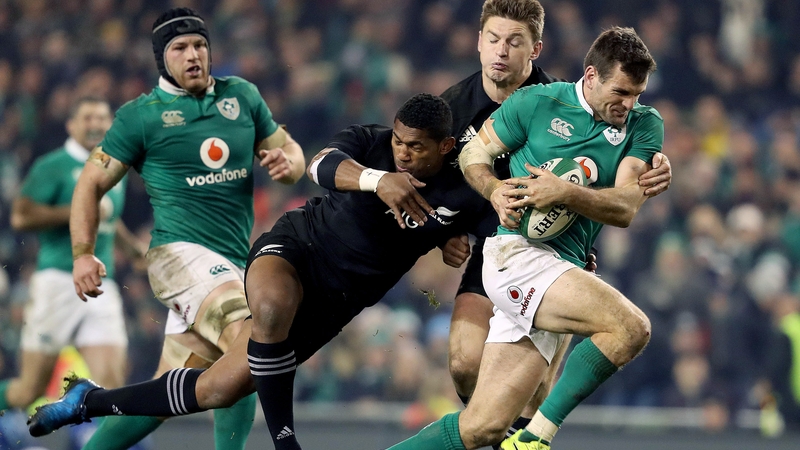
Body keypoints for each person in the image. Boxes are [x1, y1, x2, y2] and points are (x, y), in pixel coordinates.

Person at [27, 93, 495, 450]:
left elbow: (481, 235)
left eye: (416, 147)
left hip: (337, 302)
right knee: (270, 308)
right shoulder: (372, 144)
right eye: (399, 141)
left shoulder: (464, 190)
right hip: (296, 248)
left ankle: (87, 401)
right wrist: (378, 181)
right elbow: (321, 164)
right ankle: (285, 442)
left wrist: (458, 241)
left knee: (217, 388)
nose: (403, 153)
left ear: (446, 146)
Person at [388, 26, 662, 450]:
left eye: (637, 94)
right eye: (622, 92)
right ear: (591, 76)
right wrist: (495, 190)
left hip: (563, 269)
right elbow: (473, 154)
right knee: (631, 328)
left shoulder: (645, 125)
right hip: (517, 254)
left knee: (483, 426)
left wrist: (565, 193)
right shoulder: (536, 102)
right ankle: (536, 440)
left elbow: (625, 207)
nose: (629, 104)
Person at [62, 7, 306, 450]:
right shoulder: (141, 115)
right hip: (177, 256)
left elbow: (289, 156)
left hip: (231, 260)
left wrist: (288, 162)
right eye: (180, 48)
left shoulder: (242, 97)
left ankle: (89, 410)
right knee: (251, 340)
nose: (193, 55)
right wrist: (83, 252)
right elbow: (89, 183)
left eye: (200, 45)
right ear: (163, 59)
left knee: (170, 394)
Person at [0, 97, 144, 414]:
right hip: (58, 281)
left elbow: (107, 218)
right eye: (87, 118)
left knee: (112, 384)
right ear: (71, 125)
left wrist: (133, 250)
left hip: (102, 286)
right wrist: (77, 209)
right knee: (29, 390)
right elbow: (20, 217)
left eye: (102, 118)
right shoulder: (53, 166)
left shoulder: (112, 165)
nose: (95, 124)